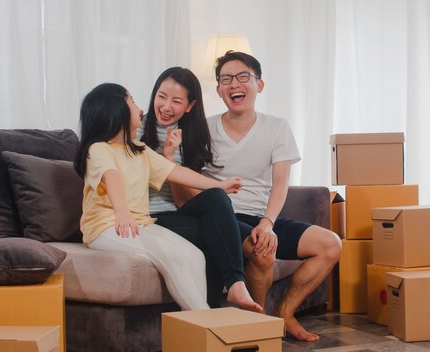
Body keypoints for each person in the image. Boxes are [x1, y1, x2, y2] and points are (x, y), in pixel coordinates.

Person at [205, 51, 342, 341]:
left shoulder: (276, 127)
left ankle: (285, 314)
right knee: (262, 252)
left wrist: (267, 222)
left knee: (330, 244)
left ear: (260, 85)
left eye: (243, 77)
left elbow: (280, 184)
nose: (234, 84)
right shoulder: (205, 129)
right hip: (224, 219)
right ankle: (260, 323)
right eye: (226, 79)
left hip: (262, 217)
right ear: (218, 89)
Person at [74, 82, 244, 311]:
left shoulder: (138, 149)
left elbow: (176, 172)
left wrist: (219, 185)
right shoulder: (98, 149)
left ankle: (199, 323)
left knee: (195, 256)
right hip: (106, 228)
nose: (140, 108)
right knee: (171, 256)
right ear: (116, 110)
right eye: (132, 101)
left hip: (142, 225)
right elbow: (110, 175)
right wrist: (123, 212)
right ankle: (205, 322)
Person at [137, 67, 261, 312]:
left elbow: (182, 201)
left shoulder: (190, 137)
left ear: (190, 106)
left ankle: (234, 290)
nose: (165, 106)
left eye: (176, 101)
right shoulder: (135, 129)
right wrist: (167, 157)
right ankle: (221, 303)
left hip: (176, 211)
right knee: (215, 233)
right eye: (161, 97)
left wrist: (171, 156)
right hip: (150, 217)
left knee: (217, 200)